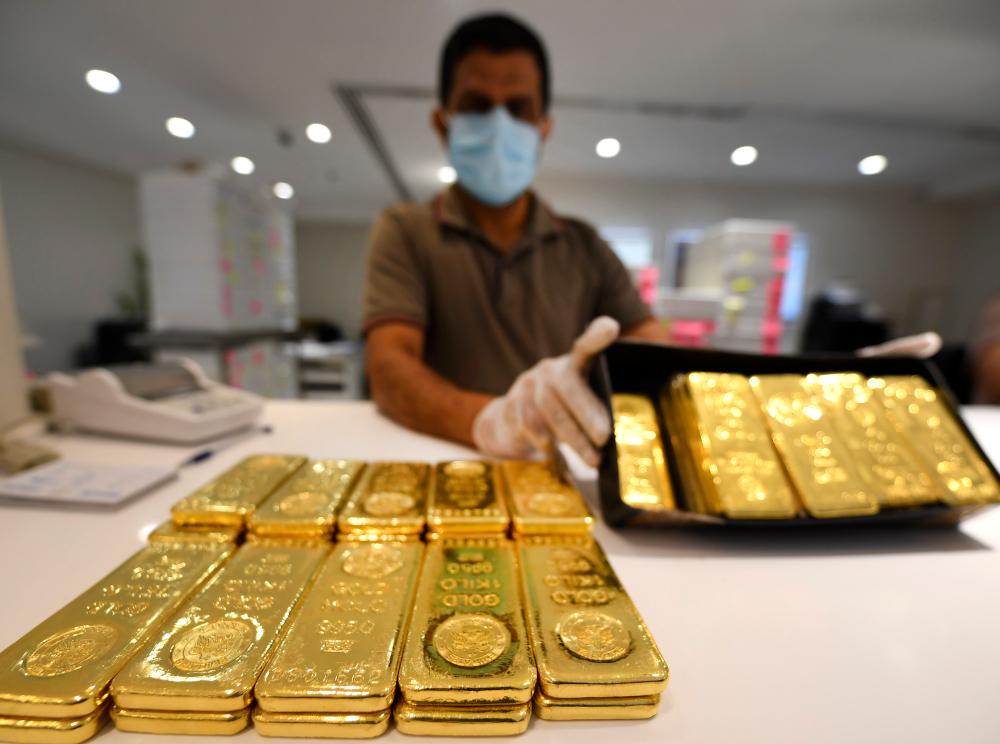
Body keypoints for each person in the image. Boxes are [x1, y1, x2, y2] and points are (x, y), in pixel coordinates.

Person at [361, 13, 670, 467]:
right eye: (477, 105)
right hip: (446, 462)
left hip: (559, 468)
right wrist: (489, 420)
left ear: (543, 127)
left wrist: (601, 381)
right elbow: (388, 366)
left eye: (518, 108)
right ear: (443, 123)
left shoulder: (584, 245)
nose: (499, 124)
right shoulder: (406, 231)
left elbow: (652, 345)